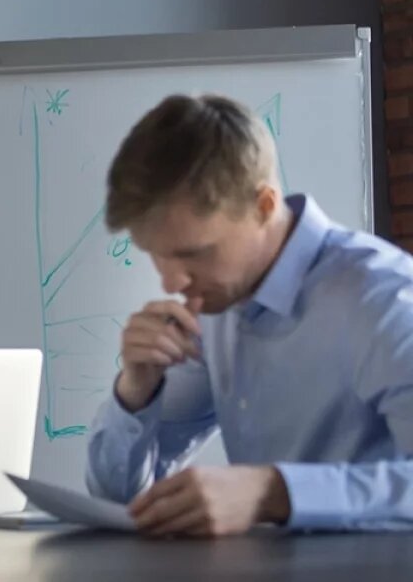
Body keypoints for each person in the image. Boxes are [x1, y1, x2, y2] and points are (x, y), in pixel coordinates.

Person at [85, 93, 413, 536]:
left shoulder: (382, 297)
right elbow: (120, 498)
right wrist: (136, 390)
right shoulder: (216, 305)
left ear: (263, 206)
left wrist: (276, 492)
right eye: (156, 257)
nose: (171, 284)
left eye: (193, 254)